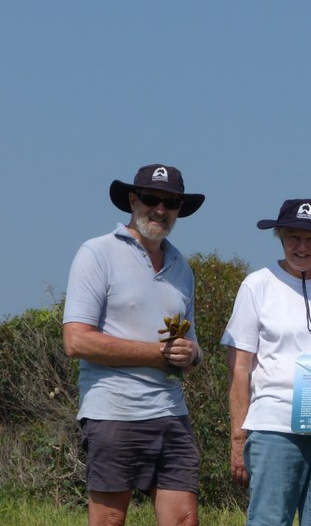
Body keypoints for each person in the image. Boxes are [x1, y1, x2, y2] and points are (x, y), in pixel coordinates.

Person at [62, 164, 205, 526]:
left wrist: (192, 355)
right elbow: (76, 340)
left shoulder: (181, 267)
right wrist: (157, 355)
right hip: (114, 412)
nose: (160, 209)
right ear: (132, 200)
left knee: (184, 519)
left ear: (178, 209)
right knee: (109, 520)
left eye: (170, 202)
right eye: (150, 198)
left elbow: (191, 348)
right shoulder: (97, 253)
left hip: (171, 413)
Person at [222, 198, 311, 526]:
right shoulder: (257, 284)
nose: (302, 246)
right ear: (280, 237)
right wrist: (238, 438)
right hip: (275, 424)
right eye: (293, 236)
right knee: (269, 519)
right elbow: (240, 367)